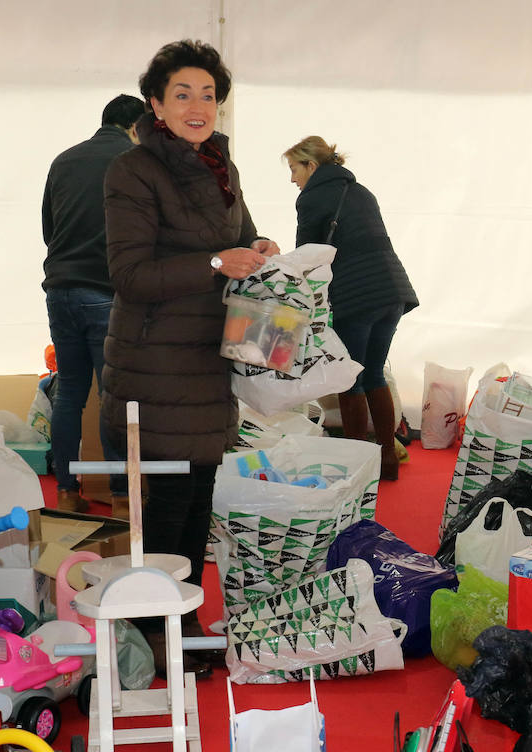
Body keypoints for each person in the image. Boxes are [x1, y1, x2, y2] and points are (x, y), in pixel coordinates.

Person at [101, 40, 279, 675]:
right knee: (168, 499)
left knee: (198, 493)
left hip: (208, 360)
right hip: (155, 363)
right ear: (156, 103)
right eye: (183, 93)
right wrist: (212, 263)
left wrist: (255, 246)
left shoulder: (218, 167)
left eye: (208, 95)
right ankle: (155, 625)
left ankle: (181, 612)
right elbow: (129, 274)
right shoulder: (133, 171)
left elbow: (237, 237)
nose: (198, 105)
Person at [284, 136, 418, 481]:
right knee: (373, 372)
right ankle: (387, 456)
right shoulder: (361, 191)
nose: (292, 178)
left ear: (311, 165)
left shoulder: (312, 197)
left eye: (294, 169)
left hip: (356, 294)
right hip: (392, 290)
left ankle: (357, 463)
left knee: (349, 378)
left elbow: (308, 255)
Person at [41, 94, 142, 517]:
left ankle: (66, 491)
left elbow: (49, 228)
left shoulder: (63, 160)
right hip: (104, 293)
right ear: (136, 127)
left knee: (69, 396)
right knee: (112, 396)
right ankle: (121, 496)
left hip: (59, 289)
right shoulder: (132, 162)